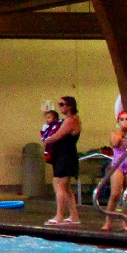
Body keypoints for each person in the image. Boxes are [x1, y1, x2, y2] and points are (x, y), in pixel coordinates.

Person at [40, 96, 83, 226]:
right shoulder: (70, 120)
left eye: (62, 104)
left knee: (59, 185)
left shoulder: (71, 120)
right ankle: (74, 216)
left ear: (70, 106)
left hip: (65, 156)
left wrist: (46, 140)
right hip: (64, 156)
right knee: (65, 187)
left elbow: (57, 136)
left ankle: (59, 216)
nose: (60, 107)